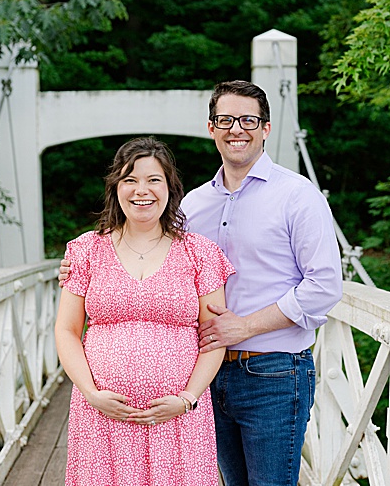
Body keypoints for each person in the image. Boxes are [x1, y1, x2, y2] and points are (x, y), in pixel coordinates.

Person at [182, 80, 343, 485]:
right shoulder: (191, 205)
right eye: (226, 119)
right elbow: (158, 264)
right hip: (206, 373)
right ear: (211, 127)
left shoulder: (298, 196)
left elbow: (324, 287)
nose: (237, 128)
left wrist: (245, 326)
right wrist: (89, 265)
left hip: (274, 373)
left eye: (248, 119)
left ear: (266, 128)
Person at [54, 137, 234, 486]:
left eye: (154, 180)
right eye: (130, 179)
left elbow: (215, 337)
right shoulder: (85, 250)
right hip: (102, 417)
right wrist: (92, 394)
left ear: (170, 188)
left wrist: (187, 399)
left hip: (178, 420)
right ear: (116, 187)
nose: (142, 190)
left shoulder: (200, 253)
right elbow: (66, 330)